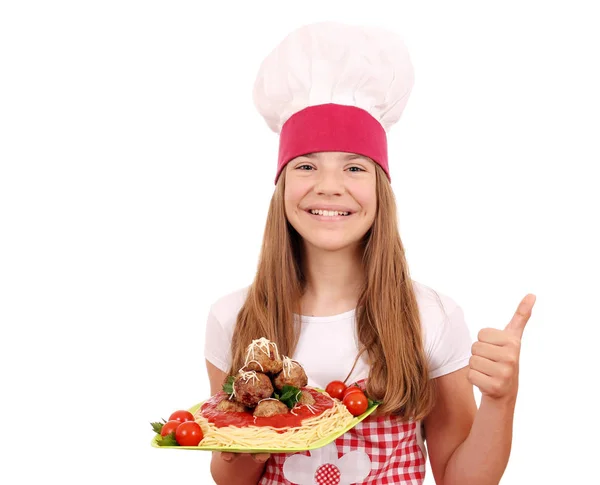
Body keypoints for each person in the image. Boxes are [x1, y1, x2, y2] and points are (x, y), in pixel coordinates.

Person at [203, 21, 536, 485]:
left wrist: (502, 400)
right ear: (281, 186)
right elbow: (230, 479)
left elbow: (462, 479)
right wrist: (259, 433)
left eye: (354, 167)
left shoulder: (430, 317)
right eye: (306, 165)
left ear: (381, 188)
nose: (330, 186)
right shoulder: (234, 317)